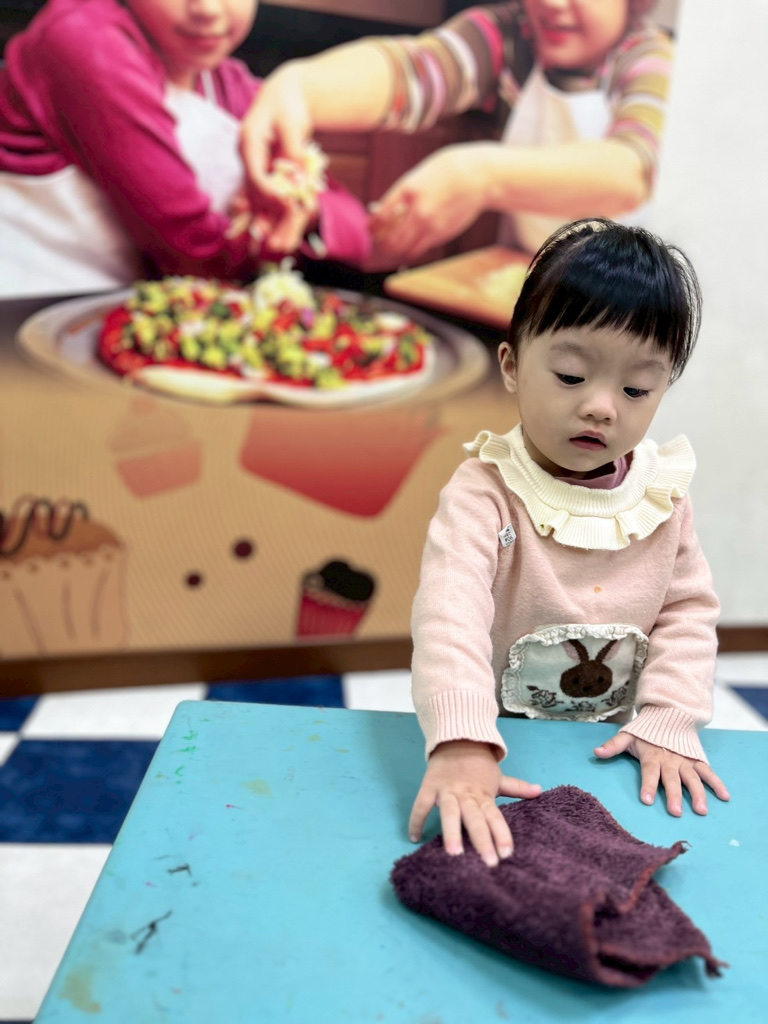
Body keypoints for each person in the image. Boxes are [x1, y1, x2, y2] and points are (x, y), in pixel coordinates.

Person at [407, 218, 730, 868]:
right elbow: (450, 616)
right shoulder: (484, 493)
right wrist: (462, 740)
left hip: (607, 750)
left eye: (636, 389)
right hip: (500, 738)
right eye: (571, 375)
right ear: (512, 366)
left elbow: (687, 613)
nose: (602, 407)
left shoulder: (661, 496)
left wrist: (670, 718)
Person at [241, 0, 673, 264]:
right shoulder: (513, 36)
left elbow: (630, 172)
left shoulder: (651, 58)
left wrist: (479, 176)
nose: (552, 3)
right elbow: (414, 71)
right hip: (530, 293)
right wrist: (299, 87)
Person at [0, 0, 369, 298]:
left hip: (131, 318)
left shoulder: (231, 86)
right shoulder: (83, 36)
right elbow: (191, 255)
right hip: (23, 319)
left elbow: (357, 229)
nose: (207, 8)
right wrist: (271, 236)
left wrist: (306, 213)